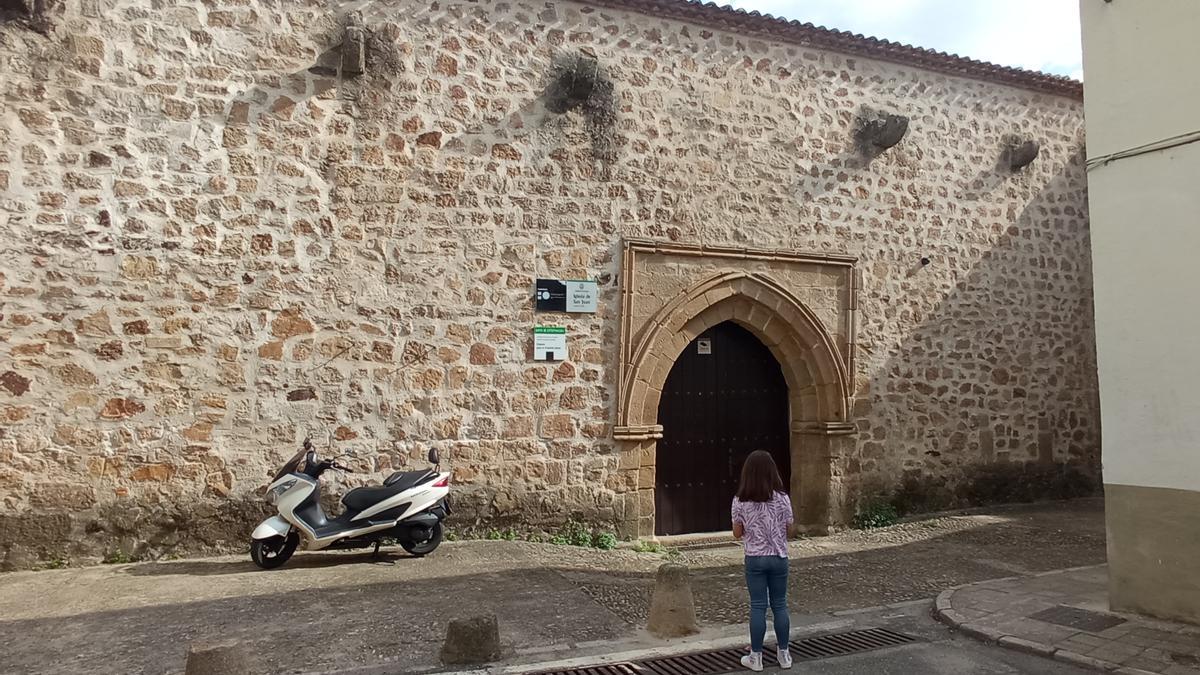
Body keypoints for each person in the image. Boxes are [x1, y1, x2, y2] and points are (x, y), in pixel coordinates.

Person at [731, 450, 794, 671]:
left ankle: (756, 657)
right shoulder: (783, 498)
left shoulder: (740, 500)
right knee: (780, 604)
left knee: (758, 605)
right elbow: (789, 528)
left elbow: (737, 533)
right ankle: (784, 655)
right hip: (778, 557)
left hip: (755, 558)